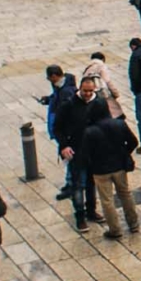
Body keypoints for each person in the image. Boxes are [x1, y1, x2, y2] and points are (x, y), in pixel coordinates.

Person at [82, 96, 141, 239]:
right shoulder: (119, 124)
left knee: (107, 200)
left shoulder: (89, 131)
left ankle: (115, 230)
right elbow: (133, 142)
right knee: (125, 194)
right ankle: (133, 224)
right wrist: (124, 153)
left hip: (100, 170)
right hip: (119, 166)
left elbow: (85, 153)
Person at [54, 75, 100, 231]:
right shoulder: (68, 105)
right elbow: (57, 128)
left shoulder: (98, 103)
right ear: (80, 88)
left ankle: (91, 211)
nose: (88, 94)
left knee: (91, 183)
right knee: (78, 185)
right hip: (76, 151)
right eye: (85, 91)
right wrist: (64, 146)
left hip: (93, 151)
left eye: (90, 91)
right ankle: (80, 216)